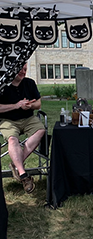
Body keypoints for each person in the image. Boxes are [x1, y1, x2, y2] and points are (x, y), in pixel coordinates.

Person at [0, 64, 45, 194]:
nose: (23, 71)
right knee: (13, 140)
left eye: (25, 69)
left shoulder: (30, 83)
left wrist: (29, 105)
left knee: (40, 130)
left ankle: (16, 164)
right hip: (8, 120)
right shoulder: (3, 84)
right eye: (20, 68)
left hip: (28, 119)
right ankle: (24, 175)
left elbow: (38, 104)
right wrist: (16, 105)